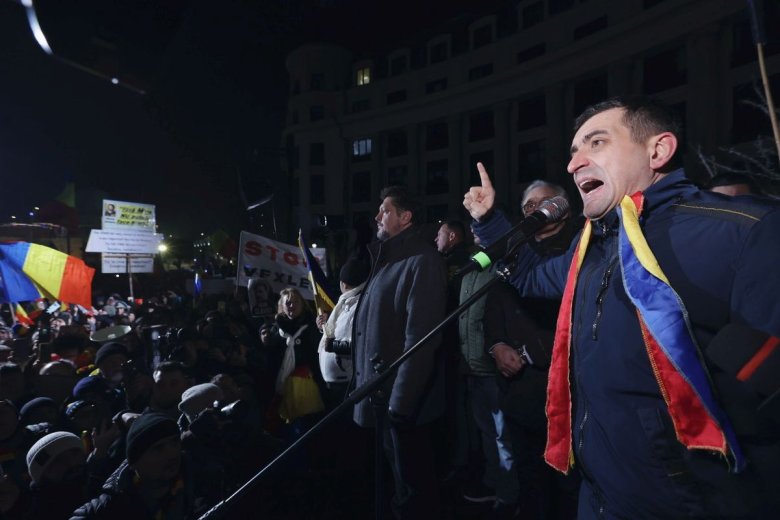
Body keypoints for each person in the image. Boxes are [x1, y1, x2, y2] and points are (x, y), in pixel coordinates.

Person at [463, 96, 780, 518]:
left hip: (683, 504)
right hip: (597, 495)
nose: (574, 164)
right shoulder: (590, 247)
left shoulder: (743, 233)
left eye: (596, 143)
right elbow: (530, 275)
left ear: (658, 150)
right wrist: (489, 220)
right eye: (573, 151)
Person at [351, 185, 447, 518]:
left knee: (412, 492)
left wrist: (399, 406)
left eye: (386, 210)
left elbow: (420, 340)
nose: (377, 216)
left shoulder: (422, 262)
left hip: (400, 407)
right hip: (383, 401)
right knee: (395, 485)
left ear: (405, 217)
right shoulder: (388, 259)